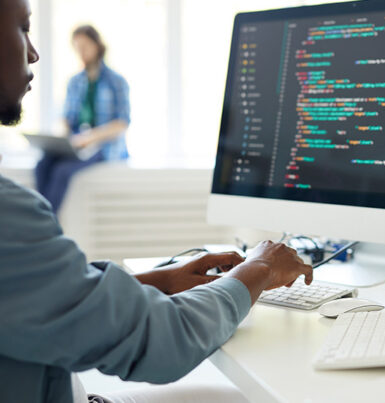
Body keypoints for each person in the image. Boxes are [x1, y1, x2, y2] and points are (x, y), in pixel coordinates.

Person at [0, 1, 314, 402]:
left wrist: (161, 280)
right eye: (23, 28)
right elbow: (164, 341)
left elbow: (42, 296)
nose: (33, 52)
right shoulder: (8, 218)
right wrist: (259, 268)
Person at [34, 24, 130, 214]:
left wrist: (90, 138)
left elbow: (121, 123)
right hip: (76, 143)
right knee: (43, 164)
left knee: (62, 171)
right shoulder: (75, 82)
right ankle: (38, 219)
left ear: (97, 45)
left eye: (85, 46)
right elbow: (66, 118)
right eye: (77, 48)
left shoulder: (116, 81)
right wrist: (62, 140)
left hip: (103, 147)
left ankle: (47, 223)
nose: (81, 52)